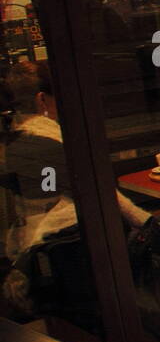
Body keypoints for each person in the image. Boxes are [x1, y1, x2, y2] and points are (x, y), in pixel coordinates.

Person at [2, 63, 149, 261]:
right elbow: (102, 195)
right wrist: (150, 223)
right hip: (70, 242)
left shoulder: (13, 138)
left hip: (30, 240)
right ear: (42, 100)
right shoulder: (50, 142)